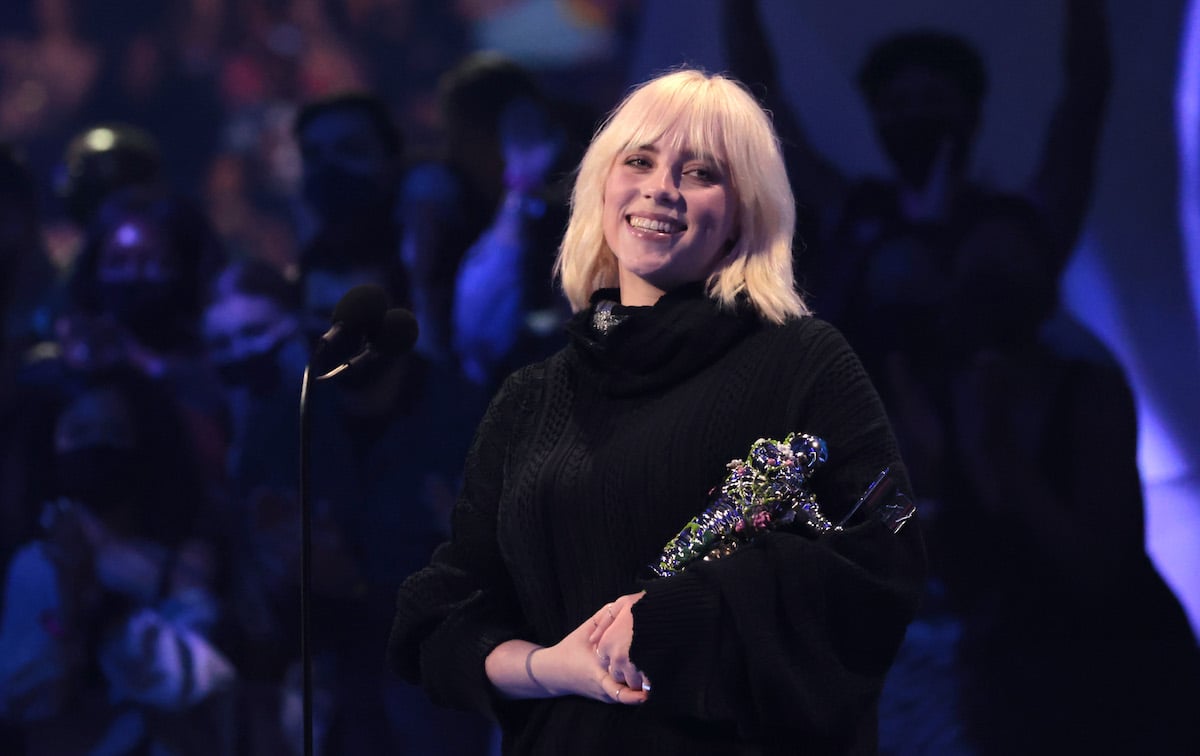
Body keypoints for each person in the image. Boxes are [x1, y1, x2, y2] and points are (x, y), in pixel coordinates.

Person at [388, 69, 925, 755]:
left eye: (700, 172)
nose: (659, 188)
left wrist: (684, 615)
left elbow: (887, 551)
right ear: (601, 186)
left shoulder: (803, 361)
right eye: (638, 161)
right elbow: (442, 614)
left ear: (743, 213)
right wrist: (549, 669)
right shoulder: (530, 398)